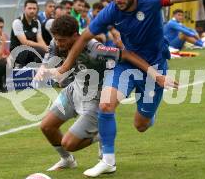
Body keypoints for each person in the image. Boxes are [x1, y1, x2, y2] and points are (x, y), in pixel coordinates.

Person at [53, 0, 205, 177]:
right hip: (127, 65)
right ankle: (108, 161)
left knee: (141, 125)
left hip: (155, 68)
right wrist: (64, 66)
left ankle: (149, 114)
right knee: (106, 104)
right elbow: (85, 36)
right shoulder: (111, 11)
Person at [36, 15, 169, 171]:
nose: (58, 43)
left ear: (75, 35)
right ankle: (67, 160)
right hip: (74, 91)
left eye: (62, 40)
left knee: (69, 143)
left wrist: (155, 74)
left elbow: (126, 55)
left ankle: (102, 133)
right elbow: (48, 59)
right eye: (56, 39)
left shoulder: (94, 49)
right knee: (46, 126)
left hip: (95, 100)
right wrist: (43, 70)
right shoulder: (56, 43)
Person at [10, 0, 48, 67]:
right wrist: (42, 47)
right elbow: (24, 42)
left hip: (32, 50)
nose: (32, 11)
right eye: (29, 8)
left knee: (48, 53)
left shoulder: (37, 22)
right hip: (17, 52)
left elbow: (40, 39)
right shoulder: (17, 22)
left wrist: (47, 49)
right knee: (39, 51)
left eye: (34, 8)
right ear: (24, 9)